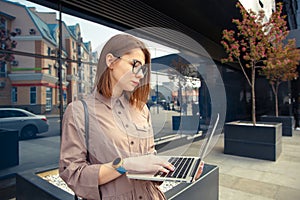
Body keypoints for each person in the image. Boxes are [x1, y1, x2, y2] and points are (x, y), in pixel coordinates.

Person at [59, 34, 204, 200]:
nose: (140, 75)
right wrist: (124, 165)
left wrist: (169, 170)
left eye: (142, 69)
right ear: (111, 61)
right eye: (135, 64)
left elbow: (149, 159)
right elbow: (72, 174)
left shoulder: (142, 110)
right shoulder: (78, 111)